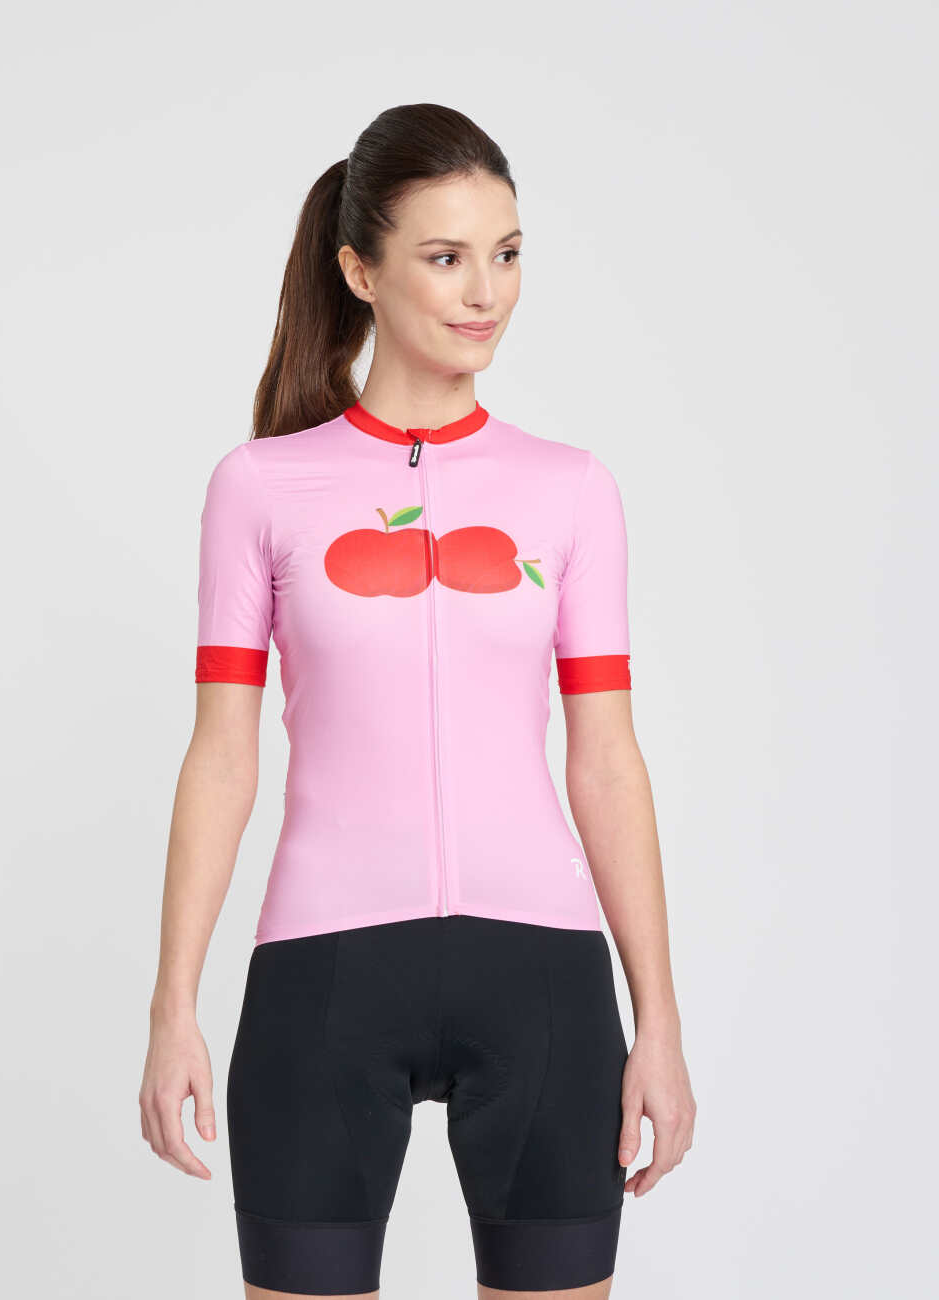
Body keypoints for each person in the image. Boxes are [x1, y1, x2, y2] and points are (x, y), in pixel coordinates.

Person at [139, 102, 696, 1299]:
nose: (484, 292)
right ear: (360, 270)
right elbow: (221, 755)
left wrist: (657, 1018)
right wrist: (171, 1005)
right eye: (445, 257)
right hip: (324, 975)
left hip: (540, 979)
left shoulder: (569, 491)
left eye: (506, 253)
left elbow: (605, 758)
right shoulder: (260, 487)